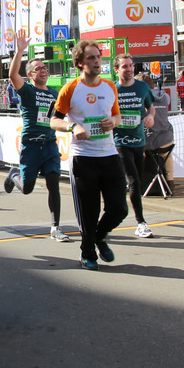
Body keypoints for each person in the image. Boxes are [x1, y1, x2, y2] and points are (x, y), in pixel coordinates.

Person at [50, 40, 126, 270]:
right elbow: (54, 120)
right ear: (80, 63)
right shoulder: (70, 88)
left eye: (98, 56)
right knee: (89, 212)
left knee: (119, 209)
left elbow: (117, 116)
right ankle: (88, 252)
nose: (97, 61)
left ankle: (99, 237)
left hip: (109, 155)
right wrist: (73, 127)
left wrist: (113, 122)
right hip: (83, 159)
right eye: (91, 57)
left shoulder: (110, 86)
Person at [3, 32, 69, 242]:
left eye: (44, 67)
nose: (43, 70)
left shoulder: (55, 93)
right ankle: (14, 175)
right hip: (31, 145)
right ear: (30, 74)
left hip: (49, 145)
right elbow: (13, 75)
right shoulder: (28, 91)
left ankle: (55, 227)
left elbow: (62, 114)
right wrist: (20, 50)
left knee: (53, 184)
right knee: (27, 189)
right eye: (38, 68)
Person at [113, 54, 156, 238]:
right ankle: (141, 222)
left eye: (131, 65)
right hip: (120, 142)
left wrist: (150, 116)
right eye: (125, 66)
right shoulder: (112, 89)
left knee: (137, 180)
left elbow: (151, 106)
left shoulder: (142, 87)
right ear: (116, 70)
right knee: (134, 180)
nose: (129, 69)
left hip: (139, 141)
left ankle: (121, 195)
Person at [140, 74, 174, 195]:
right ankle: (170, 180)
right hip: (167, 140)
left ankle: (133, 182)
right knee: (166, 155)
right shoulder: (164, 97)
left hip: (149, 142)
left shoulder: (142, 99)